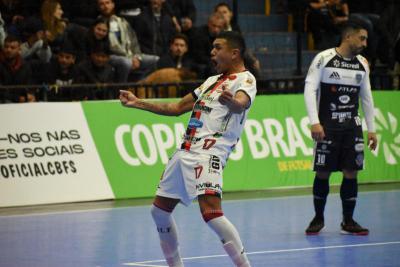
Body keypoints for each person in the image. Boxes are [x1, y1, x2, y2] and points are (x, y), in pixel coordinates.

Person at [119, 31, 254, 267]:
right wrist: (136, 102)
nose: (212, 52)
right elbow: (177, 107)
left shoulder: (246, 79)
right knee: (159, 212)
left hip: (209, 155)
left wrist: (230, 101)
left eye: (217, 47)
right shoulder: (211, 81)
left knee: (211, 214)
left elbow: (241, 104)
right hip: (185, 152)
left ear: (234, 53)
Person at [304, 22, 378, 235]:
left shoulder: (362, 63)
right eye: (362, 38)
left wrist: (371, 129)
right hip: (327, 126)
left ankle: (348, 220)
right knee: (323, 171)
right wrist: (314, 121)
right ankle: (318, 218)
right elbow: (310, 89)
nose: (365, 43)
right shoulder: (323, 58)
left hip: (352, 128)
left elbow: (367, 97)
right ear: (348, 37)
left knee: (351, 171)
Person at [97, 0, 159, 82]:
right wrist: (129, 57)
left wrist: (137, 56)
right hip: (112, 56)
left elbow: (133, 40)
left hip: (130, 54)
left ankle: (139, 84)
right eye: (102, 4)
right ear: (98, 7)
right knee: (126, 63)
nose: (105, 6)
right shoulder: (98, 24)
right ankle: (121, 88)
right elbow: (108, 46)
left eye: (107, 3)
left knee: (155, 60)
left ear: (113, 4)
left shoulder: (122, 21)